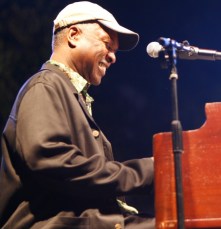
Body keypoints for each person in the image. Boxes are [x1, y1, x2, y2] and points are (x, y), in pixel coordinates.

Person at [0, 1, 155, 228]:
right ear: (73, 35)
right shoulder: (45, 85)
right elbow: (52, 162)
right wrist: (148, 172)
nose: (113, 57)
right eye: (107, 45)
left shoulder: (69, 94)